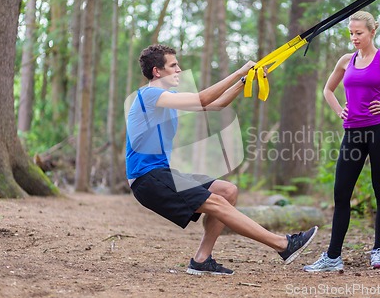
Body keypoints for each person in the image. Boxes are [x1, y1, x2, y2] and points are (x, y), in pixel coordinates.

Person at [126, 44, 318, 275]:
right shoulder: (149, 95)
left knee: (227, 191)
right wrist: (238, 71)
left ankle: (201, 260)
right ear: (157, 72)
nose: (179, 70)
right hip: (147, 178)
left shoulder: (167, 99)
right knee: (215, 202)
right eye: (173, 65)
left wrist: (245, 80)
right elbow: (202, 97)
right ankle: (283, 245)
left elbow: (215, 104)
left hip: (161, 173)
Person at [303, 11, 380, 272]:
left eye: (359, 33)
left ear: (372, 32)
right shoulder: (346, 61)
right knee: (341, 193)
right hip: (353, 134)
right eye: (351, 33)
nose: (354, 38)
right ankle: (333, 256)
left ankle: (378, 252)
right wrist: (339, 110)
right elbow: (327, 89)